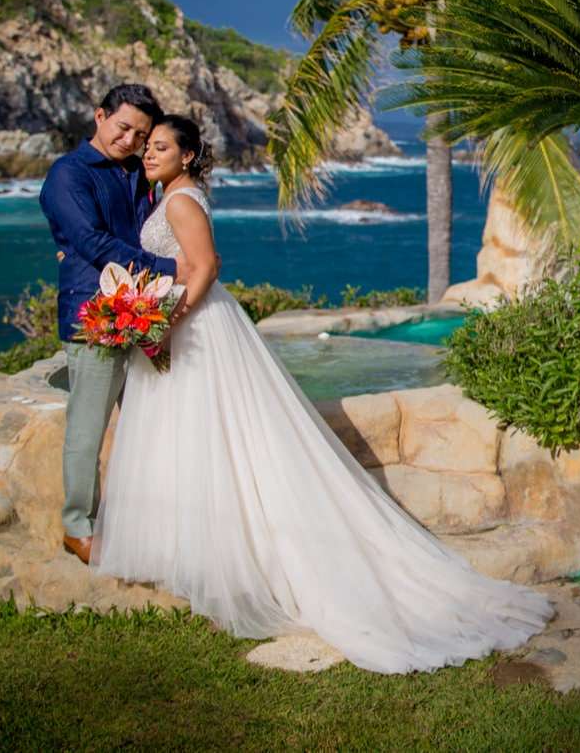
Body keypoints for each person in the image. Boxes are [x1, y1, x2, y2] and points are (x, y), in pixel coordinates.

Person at [93, 114, 552, 671]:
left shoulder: (182, 201)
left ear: (187, 155)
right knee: (194, 438)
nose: (149, 154)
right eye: (148, 146)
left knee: (205, 438)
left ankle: (221, 563)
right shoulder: (176, 194)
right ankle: (197, 558)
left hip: (193, 326)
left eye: (161, 147)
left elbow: (205, 265)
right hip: (185, 322)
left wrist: (165, 320)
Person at [38, 84, 176, 565]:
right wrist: (170, 268)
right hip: (92, 315)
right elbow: (91, 242)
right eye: (123, 128)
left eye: (140, 134)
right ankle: (78, 527)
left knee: (150, 421)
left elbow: (144, 226)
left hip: (141, 309)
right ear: (99, 117)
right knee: (88, 427)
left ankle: (145, 519)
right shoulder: (67, 174)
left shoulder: (136, 173)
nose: (130, 140)